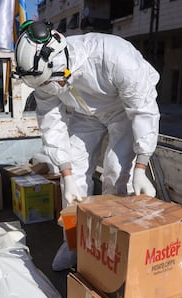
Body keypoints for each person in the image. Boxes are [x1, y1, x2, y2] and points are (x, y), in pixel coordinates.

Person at [14, 20, 160, 270]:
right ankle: (73, 244)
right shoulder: (43, 76)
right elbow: (52, 122)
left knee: (116, 173)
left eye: (52, 82)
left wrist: (141, 166)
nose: (50, 88)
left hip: (121, 111)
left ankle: (112, 246)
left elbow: (143, 110)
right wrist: (66, 172)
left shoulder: (114, 56)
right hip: (83, 114)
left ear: (61, 59)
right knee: (74, 176)